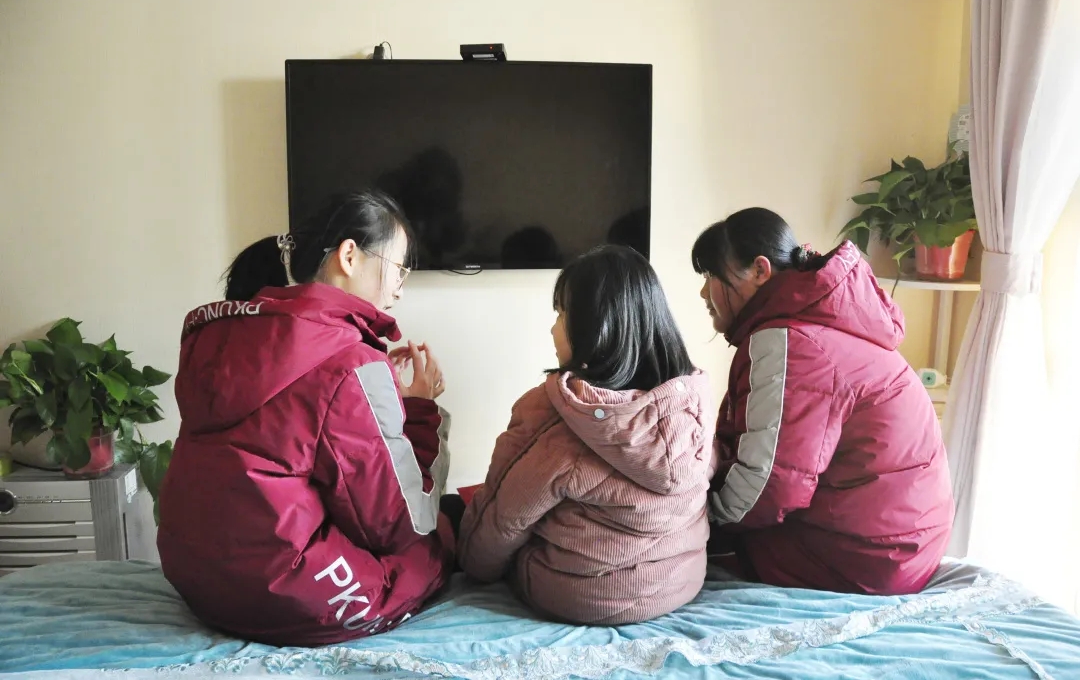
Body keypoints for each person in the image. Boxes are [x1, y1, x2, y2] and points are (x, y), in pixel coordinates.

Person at [157, 190, 454, 646]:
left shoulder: (217, 336)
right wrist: (418, 411)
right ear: (349, 256)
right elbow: (394, 524)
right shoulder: (351, 361)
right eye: (398, 267)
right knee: (435, 541)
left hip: (197, 580)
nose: (398, 287)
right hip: (280, 597)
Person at [693, 207, 953, 595]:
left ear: (760, 270)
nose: (704, 293)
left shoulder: (789, 341)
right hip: (907, 546)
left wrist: (699, 521)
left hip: (862, 556)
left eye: (711, 276)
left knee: (674, 554)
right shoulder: (830, 320)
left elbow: (770, 485)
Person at [456, 245, 718, 624]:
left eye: (561, 314)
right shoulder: (692, 405)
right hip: (678, 582)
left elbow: (502, 522)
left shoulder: (554, 415)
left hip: (583, 596)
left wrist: (472, 564)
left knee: (461, 512)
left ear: (596, 327)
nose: (553, 328)